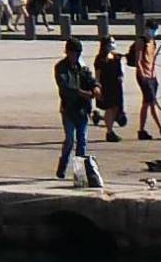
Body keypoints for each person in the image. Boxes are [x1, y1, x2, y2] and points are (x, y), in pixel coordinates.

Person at [53, 37, 98, 183]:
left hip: (83, 109)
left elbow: (91, 80)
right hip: (68, 109)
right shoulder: (60, 67)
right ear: (68, 52)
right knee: (70, 140)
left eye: (79, 53)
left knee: (82, 141)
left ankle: (79, 174)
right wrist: (83, 93)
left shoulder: (81, 66)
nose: (76, 56)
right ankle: (63, 166)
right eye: (74, 53)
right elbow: (65, 88)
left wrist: (96, 87)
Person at [129, 29, 161, 142]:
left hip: (152, 75)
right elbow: (138, 60)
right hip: (144, 76)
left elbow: (152, 59)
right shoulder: (142, 41)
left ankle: (142, 130)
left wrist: (153, 74)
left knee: (146, 103)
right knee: (151, 102)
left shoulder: (153, 42)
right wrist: (143, 75)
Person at [95, 34, 126, 141]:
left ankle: (108, 124)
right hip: (107, 86)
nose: (113, 44)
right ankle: (109, 131)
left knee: (116, 107)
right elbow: (97, 75)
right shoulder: (100, 59)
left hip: (117, 86)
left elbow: (121, 70)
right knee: (109, 108)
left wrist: (121, 76)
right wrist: (97, 86)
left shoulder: (117, 57)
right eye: (111, 42)